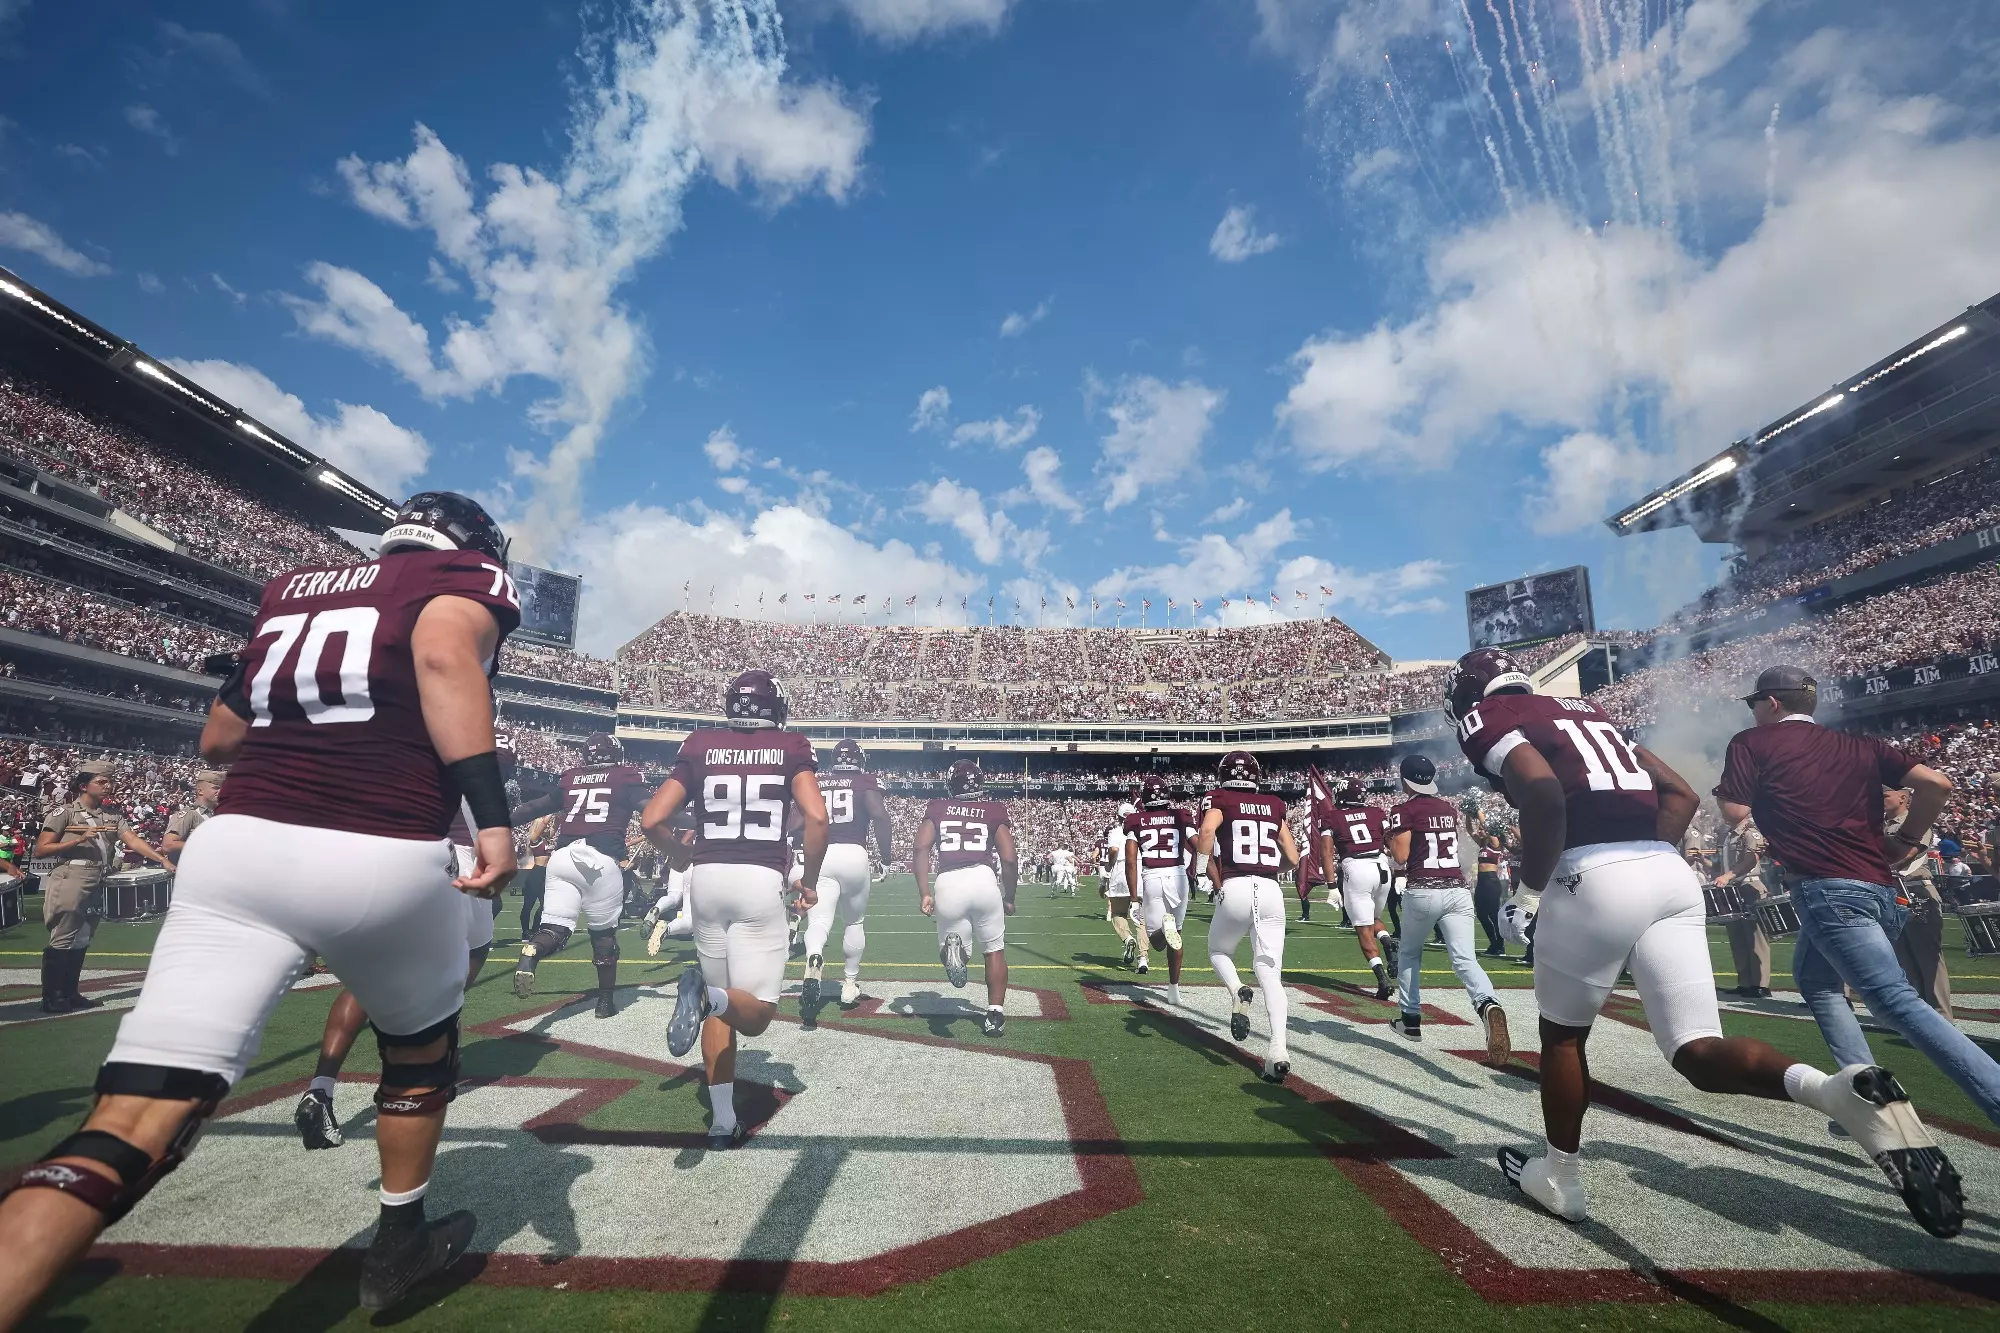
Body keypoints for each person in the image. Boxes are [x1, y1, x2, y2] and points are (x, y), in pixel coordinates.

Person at [0, 491, 525, 1320]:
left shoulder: (295, 587)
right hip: (377, 844)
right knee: (419, 1052)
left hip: (237, 849)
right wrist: (493, 822)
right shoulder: (459, 578)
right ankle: (400, 1244)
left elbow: (217, 740)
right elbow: (439, 659)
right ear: (473, 546)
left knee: (136, 1113)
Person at [1451, 649, 1961, 1238]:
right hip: (1669, 873)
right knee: (1696, 1049)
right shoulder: (1589, 711)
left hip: (1588, 873)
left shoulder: (1490, 718)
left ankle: (1561, 1176)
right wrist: (1648, 860)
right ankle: (1834, 1092)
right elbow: (1682, 796)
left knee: (1563, 1038)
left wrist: (1529, 892)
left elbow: (1541, 793)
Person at [1718, 665, 1999, 1135]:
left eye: (1753, 704)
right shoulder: (1861, 745)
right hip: (1878, 888)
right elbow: (1937, 785)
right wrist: (1907, 839)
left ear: (1770, 703)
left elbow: (1734, 809)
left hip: (1828, 891)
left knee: (1894, 1002)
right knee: (1821, 986)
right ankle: (1863, 1099)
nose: (1752, 713)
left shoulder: (1751, 743)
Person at [294, 737, 521, 1151]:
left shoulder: (405, 737)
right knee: (465, 963)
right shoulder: (481, 753)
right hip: (458, 858)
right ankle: (435, 1064)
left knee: (368, 980)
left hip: (390, 854)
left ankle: (321, 1088)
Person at [640, 670, 825, 1149]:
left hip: (707, 879)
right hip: (758, 879)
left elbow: (653, 818)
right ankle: (707, 997)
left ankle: (723, 1120)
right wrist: (810, 882)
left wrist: (681, 858)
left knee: (719, 1001)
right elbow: (818, 818)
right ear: (775, 708)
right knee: (757, 1014)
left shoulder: (700, 743)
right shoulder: (790, 746)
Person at [507, 733, 649, 1019]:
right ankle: (605, 1003)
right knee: (604, 938)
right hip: (601, 860)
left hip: (562, 858)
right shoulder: (624, 776)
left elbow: (535, 808)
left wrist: (494, 819)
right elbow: (653, 809)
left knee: (554, 930)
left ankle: (532, 949)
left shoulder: (571, 777)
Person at [1382, 755, 1509, 1065]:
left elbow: (1401, 855)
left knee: (1410, 953)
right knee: (1465, 959)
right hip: (1456, 889)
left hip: (1424, 888)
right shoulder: (1447, 809)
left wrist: (1387, 837)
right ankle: (1488, 1004)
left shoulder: (1405, 810)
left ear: (1405, 779)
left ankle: (1410, 1019)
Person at [1194, 751, 1300, 1084]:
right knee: (1271, 972)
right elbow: (1293, 856)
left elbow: (1207, 832)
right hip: (1270, 889)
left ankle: (1238, 989)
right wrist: (1269, 869)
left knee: (1218, 951)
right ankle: (1279, 1050)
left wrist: (1200, 871)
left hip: (1236, 884)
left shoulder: (1220, 798)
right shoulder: (1274, 804)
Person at [34, 761, 173, 1014]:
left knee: (83, 937)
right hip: (71, 875)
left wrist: (160, 858)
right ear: (83, 785)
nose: (108, 786)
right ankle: (52, 996)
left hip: (98, 878)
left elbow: (132, 840)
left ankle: (71, 992)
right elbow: (41, 849)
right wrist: (77, 839)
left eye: (109, 781)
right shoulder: (64, 813)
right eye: (101, 782)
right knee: (63, 936)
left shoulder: (112, 815)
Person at [914, 759, 1017, 1036]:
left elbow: (920, 848)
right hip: (983, 880)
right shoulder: (994, 809)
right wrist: (1010, 896)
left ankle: (956, 951)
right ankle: (995, 1013)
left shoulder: (937, 808)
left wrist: (925, 891)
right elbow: (1008, 857)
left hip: (949, 882)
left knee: (958, 951)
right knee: (994, 950)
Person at [803, 739, 893, 1007]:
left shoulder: (817, 783)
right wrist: (886, 858)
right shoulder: (866, 782)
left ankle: (814, 954)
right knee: (854, 922)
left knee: (818, 922)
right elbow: (880, 816)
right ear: (859, 760)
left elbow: (797, 820)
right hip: (854, 853)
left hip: (821, 854)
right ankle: (849, 984)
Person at [1123, 775, 1196, 1004]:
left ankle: (1165, 929)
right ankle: (1173, 989)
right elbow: (1198, 846)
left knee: (1156, 942)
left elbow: (1130, 860)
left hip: (1153, 876)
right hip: (1178, 876)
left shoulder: (1137, 820)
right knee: (1179, 934)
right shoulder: (1181, 815)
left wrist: (1134, 898)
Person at [1883, 787, 1951, 1018]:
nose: (1880, 801)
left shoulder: (1915, 822)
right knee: (1903, 956)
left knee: (1927, 956)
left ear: (1903, 797)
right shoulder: (1878, 825)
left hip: (1916, 890)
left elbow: (1908, 855)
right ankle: (1919, 1014)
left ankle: (1942, 1016)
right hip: (1891, 892)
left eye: (1884, 796)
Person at [1325, 778, 1395, 1000]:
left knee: (1363, 929)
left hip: (1356, 867)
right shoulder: (1376, 813)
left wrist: (1330, 885)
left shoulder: (1332, 817)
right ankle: (1386, 940)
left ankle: (1382, 980)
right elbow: (1391, 841)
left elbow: (1326, 853)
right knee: (1374, 917)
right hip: (1382, 866)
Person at [1713, 815, 1773, 998]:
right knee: (1737, 936)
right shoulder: (1726, 833)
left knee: (1755, 937)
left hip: (1749, 885)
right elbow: (1719, 861)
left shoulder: (1750, 833)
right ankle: (1745, 982)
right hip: (1730, 888)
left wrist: (1727, 876)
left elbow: (1751, 860)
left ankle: (1761, 984)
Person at [159, 769, 224, 864]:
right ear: (200, 791)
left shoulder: (216, 815)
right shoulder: (189, 814)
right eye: (216, 788)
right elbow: (168, 844)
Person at [1102, 802, 1139, 964]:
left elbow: (1114, 850)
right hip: (1139, 871)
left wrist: (1109, 865)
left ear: (1118, 817)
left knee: (1118, 913)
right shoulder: (1141, 829)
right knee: (1142, 918)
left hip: (1121, 870)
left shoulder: (1116, 831)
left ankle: (1127, 938)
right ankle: (1143, 958)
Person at [518, 812, 554, 941]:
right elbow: (544, 823)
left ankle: (535, 930)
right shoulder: (535, 839)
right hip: (536, 874)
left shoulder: (546, 840)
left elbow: (555, 826)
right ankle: (525, 932)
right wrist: (550, 811)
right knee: (528, 905)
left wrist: (560, 814)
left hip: (545, 874)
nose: (548, 825)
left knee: (545, 906)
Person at [1474, 832, 1508, 956]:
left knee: (1494, 915)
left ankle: (1499, 946)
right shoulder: (1483, 844)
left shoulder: (1496, 845)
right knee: (1481, 914)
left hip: (1491, 881)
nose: (1481, 830)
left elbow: (1491, 831)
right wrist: (1467, 813)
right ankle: (1494, 944)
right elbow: (1469, 829)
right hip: (1482, 881)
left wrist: (1481, 816)